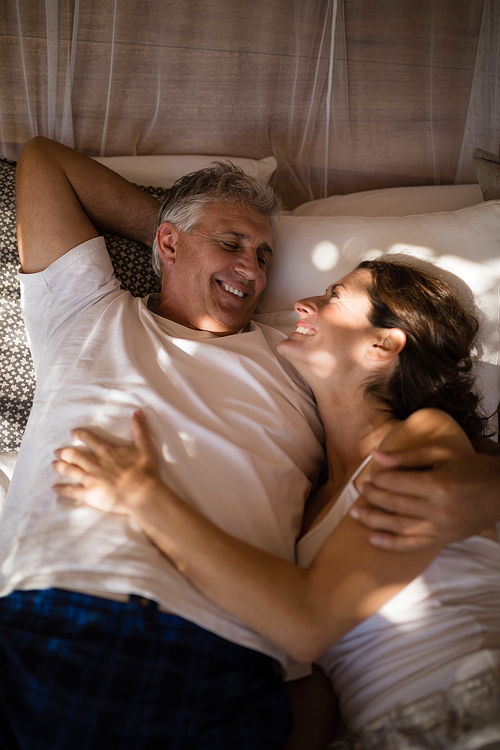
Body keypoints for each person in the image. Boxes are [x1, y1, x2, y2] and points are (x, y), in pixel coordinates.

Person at [53, 259, 500, 748]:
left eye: (334, 297)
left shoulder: (424, 439)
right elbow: (313, 670)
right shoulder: (310, 501)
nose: (302, 305)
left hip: (471, 711)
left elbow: (306, 624)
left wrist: (142, 496)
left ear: (384, 343)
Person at [1, 136, 326, 749]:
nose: (253, 270)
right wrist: (163, 225)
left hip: (220, 649)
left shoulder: (297, 361)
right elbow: (43, 162)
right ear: (170, 244)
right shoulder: (89, 312)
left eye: (262, 254)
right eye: (231, 244)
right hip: (53, 611)